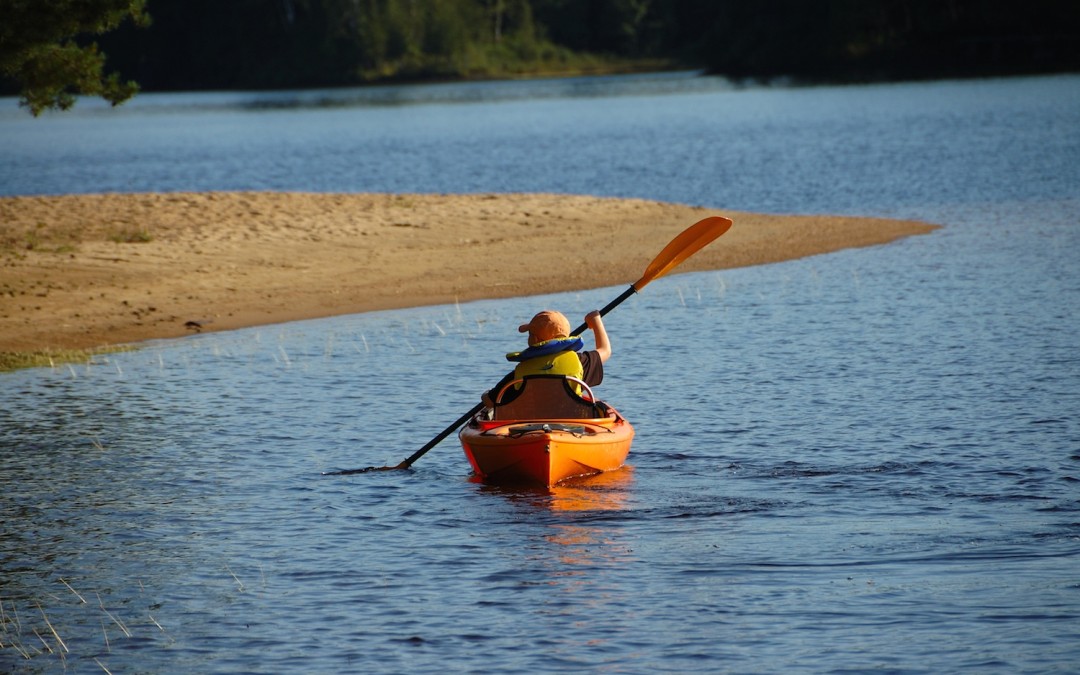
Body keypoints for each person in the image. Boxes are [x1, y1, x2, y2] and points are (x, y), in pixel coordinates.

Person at [482, 309, 610, 409]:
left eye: (530, 334)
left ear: (535, 340)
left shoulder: (521, 372)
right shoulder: (579, 362)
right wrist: (595, 320)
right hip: (571, 427)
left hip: (529, 429)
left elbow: (490, 402)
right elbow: (605, 350)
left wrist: (486, 395)